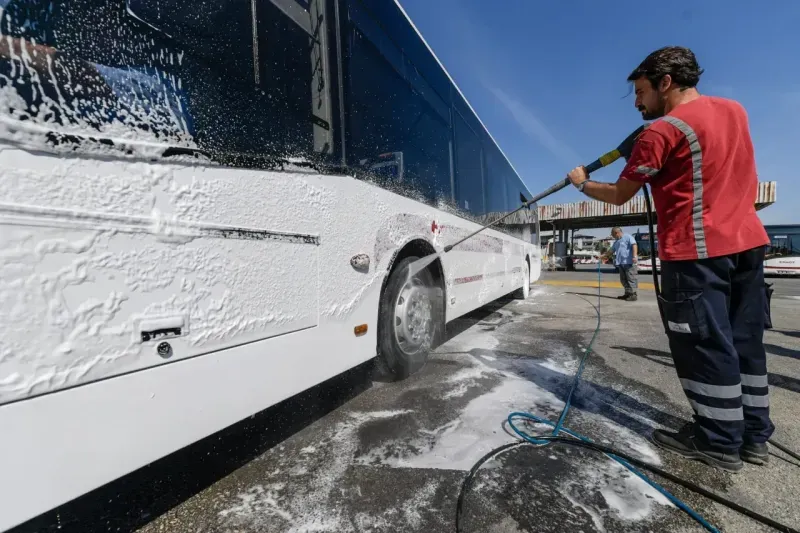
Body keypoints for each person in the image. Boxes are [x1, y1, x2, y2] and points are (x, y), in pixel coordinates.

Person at [565, 46, 773, 472]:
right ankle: (754, 437)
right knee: (744, 341)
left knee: (704, 344)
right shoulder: (735, 111)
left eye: (641, 92)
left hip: (698, 251)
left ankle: (717, 441)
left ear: (665, 83)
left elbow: (621, 194)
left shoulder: (663, 131)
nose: (638, 102)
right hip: (749, 242)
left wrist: (582, 184)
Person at [610, 227, 638, 301]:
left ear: (616, 233)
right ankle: (627, 294)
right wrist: (602, 256)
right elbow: (611, 251)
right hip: (621, 263)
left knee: (631, 279)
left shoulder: (628, 237)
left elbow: (634, 245)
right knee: (623, 280)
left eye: (613, 235)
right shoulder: (616, 242)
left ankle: (633, 295)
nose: (613, 237)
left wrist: (635, 256)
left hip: (629, 262)